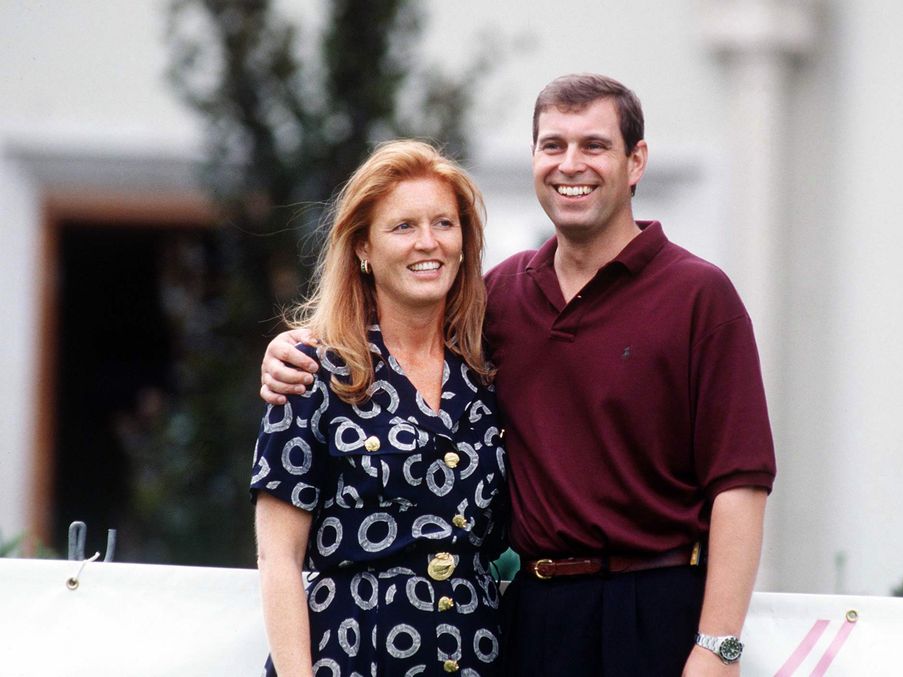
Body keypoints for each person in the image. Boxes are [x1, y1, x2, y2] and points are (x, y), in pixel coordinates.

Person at [261, 74, 776, 677]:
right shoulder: (498, 299)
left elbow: (739, 484)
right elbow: (397, 330)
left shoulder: (699, 296)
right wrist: (290, 349)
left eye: (594, 145)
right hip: (531, 620)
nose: (570, 165)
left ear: (636, 161)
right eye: (553, 145)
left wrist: (719, 647)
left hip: (655, 608)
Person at [250, 140, 508, 677]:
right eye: (403, 227)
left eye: (444, 224)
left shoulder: (490, 371)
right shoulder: (311, 371)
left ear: (464, 242)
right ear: (363, 248)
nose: (428, 243)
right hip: (351, 656)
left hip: (475, 653)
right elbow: (279, 560)